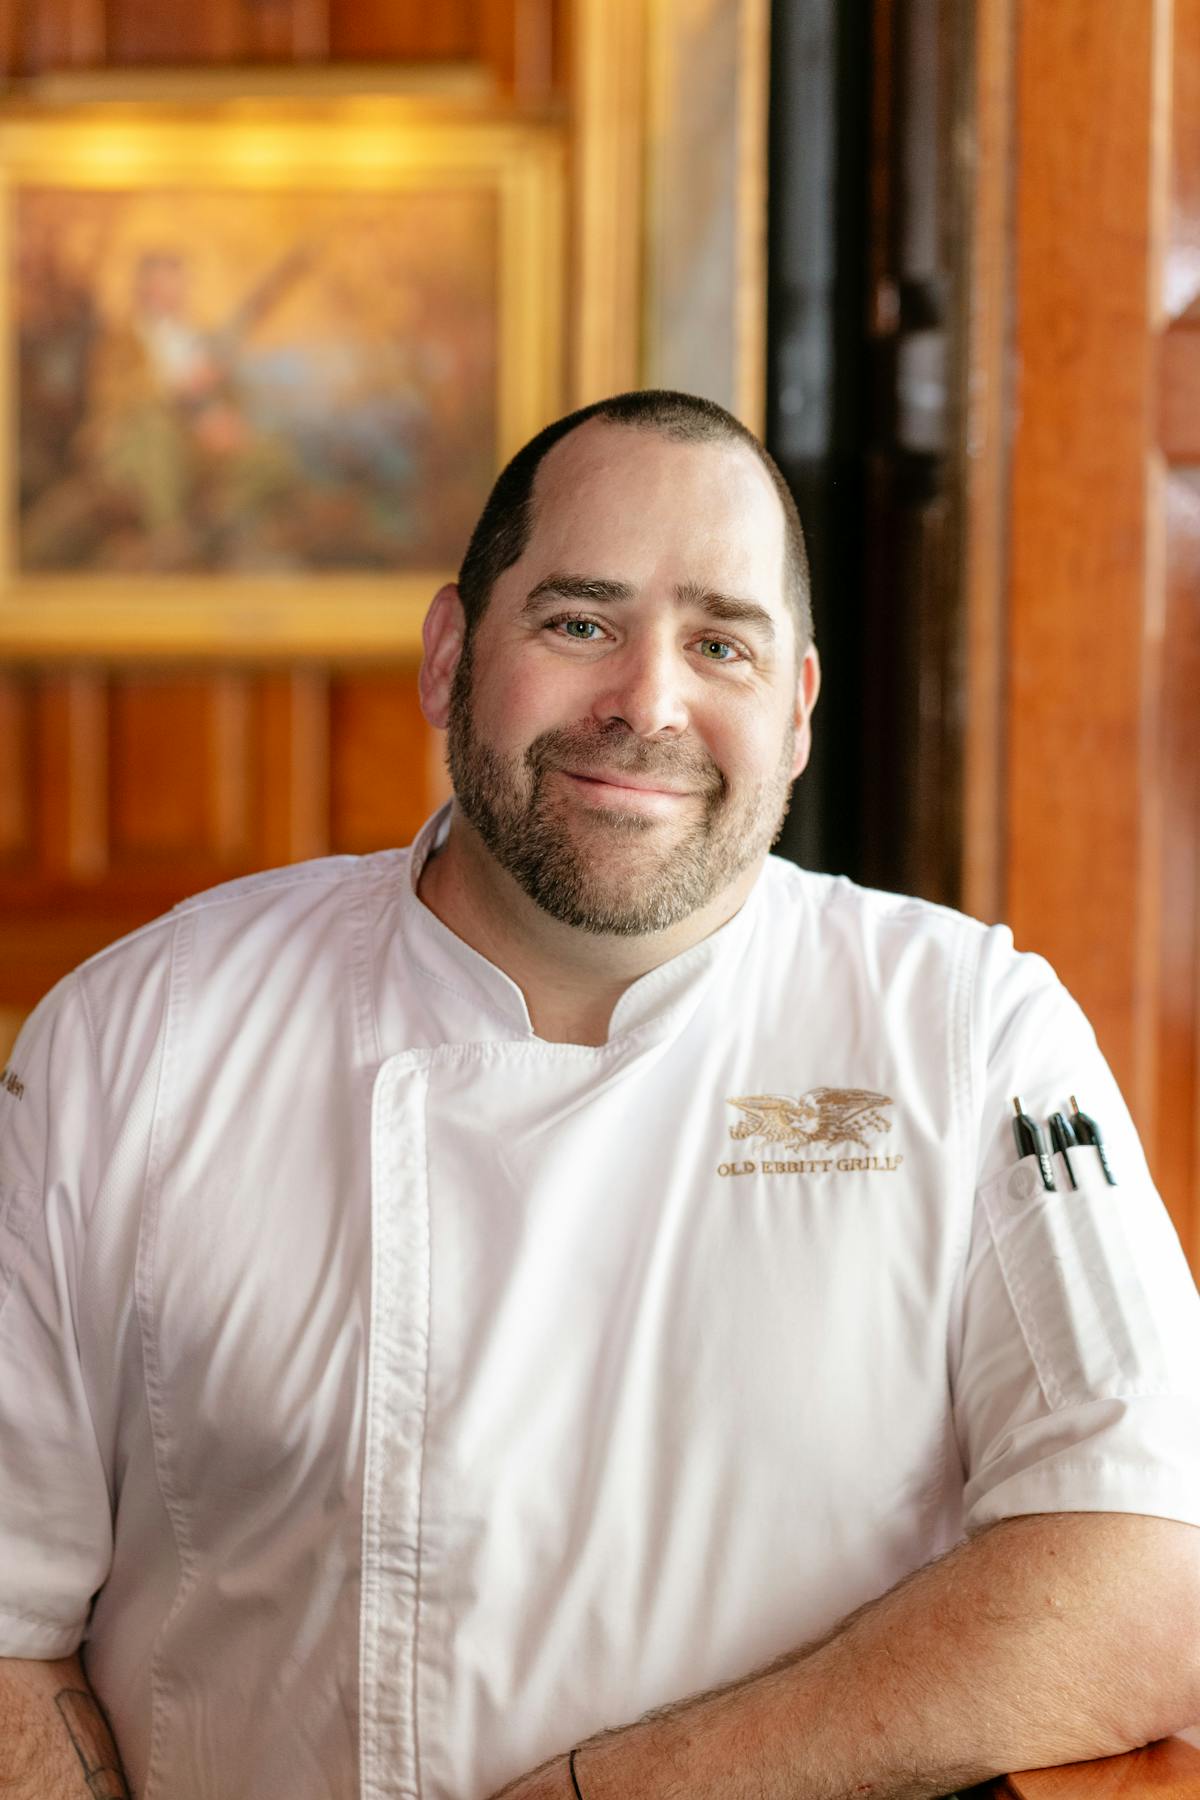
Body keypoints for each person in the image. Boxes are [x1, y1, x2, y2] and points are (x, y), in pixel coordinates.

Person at [1, 390, 1198, 1800]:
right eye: (580, 622)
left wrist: (603, 1795)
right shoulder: (142, 1037)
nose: (648, 702)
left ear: (797, 712)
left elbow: (1153, 1572)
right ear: (451, 656)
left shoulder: (971, 1036)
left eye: (720, 643)